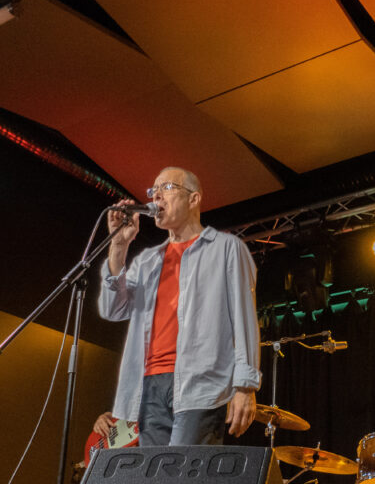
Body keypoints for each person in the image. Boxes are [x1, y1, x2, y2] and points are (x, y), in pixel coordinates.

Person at [99, 167, 260, 446]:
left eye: (167, 188)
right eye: (152, 190)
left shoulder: (225, 248)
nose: (155, 196)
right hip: (149, 384)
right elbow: (112, 309)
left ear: (194, 199)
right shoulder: (148, 261)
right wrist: (118, 247)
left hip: (201, 382)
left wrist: (245, 386)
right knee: (155, 481)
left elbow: (245, 318)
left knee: (183, 478)